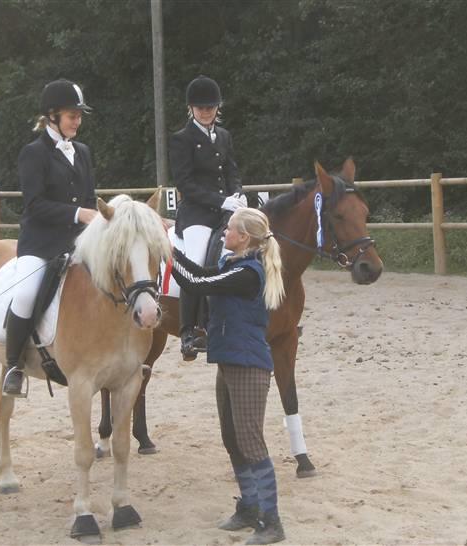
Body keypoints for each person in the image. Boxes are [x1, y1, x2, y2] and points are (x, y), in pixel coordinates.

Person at [169, 207, 287, 545]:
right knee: (231, 437)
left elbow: (195, 282)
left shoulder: (248, 273)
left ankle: (272, 521)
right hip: (229, 360)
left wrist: (165, 251)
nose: (224, 234)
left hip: (249, 364)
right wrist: (170, 245)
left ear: (244, 238)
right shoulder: (231, 265)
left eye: (230, 230)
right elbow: (199, 272)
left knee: (250, 441)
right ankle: (249, 506)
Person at [3, 79, 98, 397]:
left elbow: (89, 198)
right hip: (41, 243)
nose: (78, 121)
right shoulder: (33, 153)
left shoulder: (82, 152)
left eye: (80, 116)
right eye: (73, 115)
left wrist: (94, 219)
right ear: (52, 116)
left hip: (78, 242)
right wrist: (77, 214)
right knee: (27, 293)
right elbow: (35, 204)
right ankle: (13, 365)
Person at [169, 75, 247, 361]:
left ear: (217, 107)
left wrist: (238, 194)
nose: (205, 111)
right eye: (200, 107)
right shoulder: (182, 139)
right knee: (198, 261)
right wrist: (221, 199)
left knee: (251, 250)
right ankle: (189, 331)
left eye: (210, 107)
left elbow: (232, 171)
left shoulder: (224, 136)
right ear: (191, 108)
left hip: (226, 211)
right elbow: (185, 183)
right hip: (196, 213)